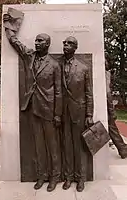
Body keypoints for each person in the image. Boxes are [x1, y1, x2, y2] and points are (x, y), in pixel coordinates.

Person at [3, 8, 62, 192]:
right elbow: (15, 42)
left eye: (40, 40)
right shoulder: (29, 57)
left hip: (50, 109)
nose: (36, 43)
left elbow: (59, 91)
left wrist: (58, 114)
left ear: (47, 44)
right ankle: (41, 175)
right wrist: (9, 26)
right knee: (38, 145)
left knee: (52, 146)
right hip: (33, 106)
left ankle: (55, 176)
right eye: (36, 40)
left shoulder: (54, 65)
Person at [59, 36, 94, 192]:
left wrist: (89, 114)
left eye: (69, 43)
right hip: (63, 112)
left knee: (79, 147)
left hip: (79, 112)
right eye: (64, 43)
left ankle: (81, 178)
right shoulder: (57, 65)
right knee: (66, 146)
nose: (66, 45)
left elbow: (89, 93)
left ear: (75, 47)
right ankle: (68, 177)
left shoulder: (83, 68)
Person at [105, 60, 127, 159]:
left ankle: (122, 149)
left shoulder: (106, 74)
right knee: (112, 129)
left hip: (106, 105)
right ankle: (122, 148)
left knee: (112, 128)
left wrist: (111, 110)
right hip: (105, 105)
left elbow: (108, 93)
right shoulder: (106, 74)